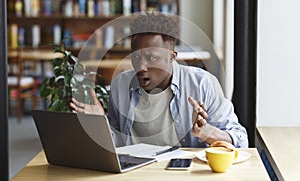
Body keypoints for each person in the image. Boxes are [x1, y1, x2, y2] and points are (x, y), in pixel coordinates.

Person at [70, 12, 248, 148]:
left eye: (151, 58)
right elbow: (118, 143)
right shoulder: (121, 84)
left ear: (172, 57)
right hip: (134, 176)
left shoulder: (201, 84)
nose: (141, 67)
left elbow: (241, 139)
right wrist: (100, 125)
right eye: (136, 57)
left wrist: (208, 132)